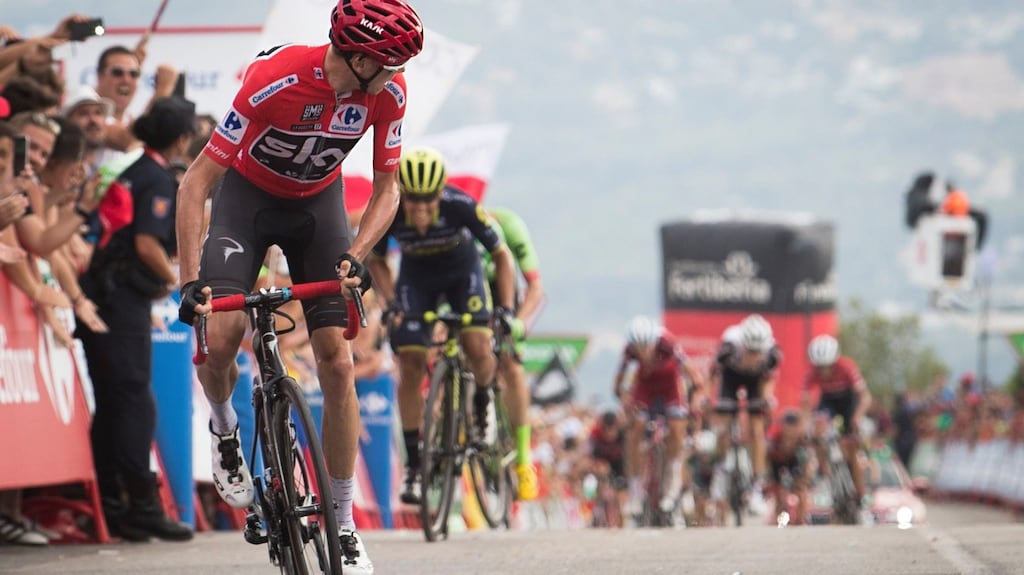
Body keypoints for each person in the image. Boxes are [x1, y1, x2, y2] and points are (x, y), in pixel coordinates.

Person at [176, 2, 424, 572]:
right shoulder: (272, 80)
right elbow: (196, 184)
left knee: (337, 362)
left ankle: (342, 523)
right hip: (247, 204)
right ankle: (225, 430)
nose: (397, 76)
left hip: (319, 209)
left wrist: (357, 256)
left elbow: (389, 189)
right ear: (358, 58)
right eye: (389, 64)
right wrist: (191, 280)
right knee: (221, 335)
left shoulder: (388, 94)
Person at [364, 146, 517, 508]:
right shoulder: (392, 209)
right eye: (413, 202)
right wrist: (390, 303)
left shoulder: (460, 205)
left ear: (440, 195)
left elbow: (501, 256)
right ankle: (416, 466)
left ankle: (482, 400)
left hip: (463, 274)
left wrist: (507, 309)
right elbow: (378, 261)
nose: (418, 210)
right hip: (417, 280)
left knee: (478, 344)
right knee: (411, 364)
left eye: (427, 203)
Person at [76, 97, 196, 542]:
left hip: (106, 295)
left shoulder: (130, 168)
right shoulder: (156, 178)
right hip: (119, 298)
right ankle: (139, 505)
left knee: (114, 403)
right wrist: (175, 280)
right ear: (182, 138)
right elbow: (147, 243)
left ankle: (113, 504)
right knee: (132, 401)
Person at [478, 206, 544, 499]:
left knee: (512, 364)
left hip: (503, 289)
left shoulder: (513, 228)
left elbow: (536, 288)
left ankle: (523, 458)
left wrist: (519, 323)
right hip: (471, 285)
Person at [614, 315, 704, 516]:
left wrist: (695, 396)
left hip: (670, 387)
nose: (643, 353)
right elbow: (618, 385)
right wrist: (624, 403)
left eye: (646, 347)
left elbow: (692, 373)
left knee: (676, 427)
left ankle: (673, 480)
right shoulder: (629, 350)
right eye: (639, 349)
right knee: (635, 429)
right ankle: (636, 490)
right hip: (646, 388)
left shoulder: (666, 343)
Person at [711, 313, 781, 503]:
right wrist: (711, 401)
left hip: (755, 381)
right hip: (730, 378)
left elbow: (768, 381)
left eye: (757, 352)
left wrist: (766, 399)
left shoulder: (772, 353)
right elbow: (715, 375)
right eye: (750, 351)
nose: (753, 356)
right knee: (724, 425)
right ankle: (721, 468)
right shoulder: (729, 347)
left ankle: (757, 482)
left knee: (757, 430)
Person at [801, 334, 872, 506]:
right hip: (829, 402)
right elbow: (805, 404)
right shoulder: (812, 373)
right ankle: (824, 471)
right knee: (817, 429)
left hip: (849, 403)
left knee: (850, 448)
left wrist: (857, 417)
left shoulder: (847, 367)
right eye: (820, 367)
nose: (824, 372)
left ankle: (860, 491)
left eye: (828, 367)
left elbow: (865, 397)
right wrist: (805, 426)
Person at [767, 410, 813, 526]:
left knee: (801, 490)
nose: (790, 431)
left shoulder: (803, 442)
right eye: (788, 426)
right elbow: (768, 461)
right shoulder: (775, 441)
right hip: (777, 465)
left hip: (795, 464)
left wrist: (806, 477)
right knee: (778, 493)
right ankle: (779, 521)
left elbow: (807, 462)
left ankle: (800, 520)